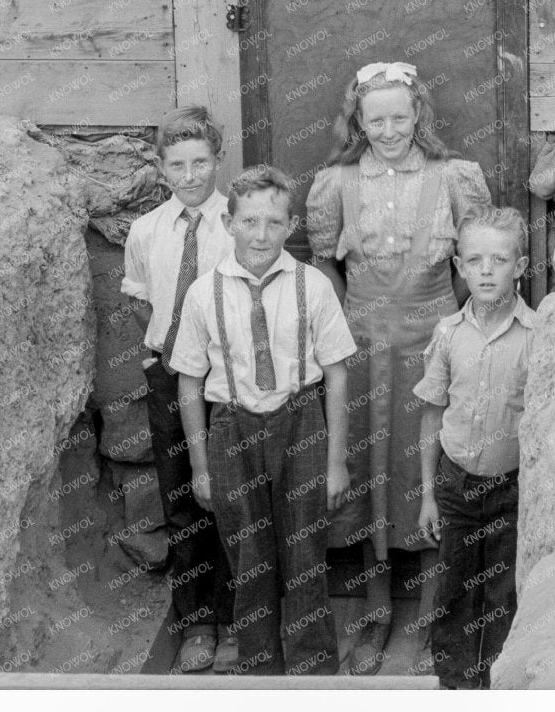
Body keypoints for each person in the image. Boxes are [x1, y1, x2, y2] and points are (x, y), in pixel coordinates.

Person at [306, 61, 493, 674]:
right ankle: (377, 609)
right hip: (362, 351)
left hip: (435, 341)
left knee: (433, 466)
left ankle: (437, 615)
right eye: (375, 118)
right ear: (357, 120)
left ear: (420, 117)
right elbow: (323, 262)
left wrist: (447, 321)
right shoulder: (336, 182)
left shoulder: (454, 177)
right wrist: (353, 315)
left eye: (400, 117)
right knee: (369, 469)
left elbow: (476, 259)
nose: (389, 129)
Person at [171, 165, 357, 677]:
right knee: (248, 560)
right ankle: (259, 672)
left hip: (299, 422)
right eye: (249, 221)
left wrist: (336, 462)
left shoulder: (313, 285)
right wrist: (201, 467)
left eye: (274, 222)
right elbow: (188, 383)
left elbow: (338, 374)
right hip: (230, 428)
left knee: (304, 555)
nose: (261, 234)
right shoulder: (202, 293)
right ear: (229, 223)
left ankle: (312, 670)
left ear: (291, 224)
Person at [120, 107, 235, 673]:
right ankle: (196, 623)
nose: (190, 175)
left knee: (237, 496)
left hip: (228, 377)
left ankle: (240, 616)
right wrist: (160, 347)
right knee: (184, 497)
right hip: (170, 373)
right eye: (178, 165)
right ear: (162, 169)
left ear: (217, 160)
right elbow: (144, 297)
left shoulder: (238, 222)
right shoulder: (146, 231)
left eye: (201, 162)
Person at [415, 206, 535, 690]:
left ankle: (496, 685)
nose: (487, 270)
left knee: (502, 593)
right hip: (456, 484)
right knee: (455, 591)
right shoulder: (448, 334)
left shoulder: (537, 335)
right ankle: (455, 684)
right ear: (460, 267)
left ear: (521, 268)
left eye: (500, 260)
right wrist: (427, 494)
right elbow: (431, 413)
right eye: (475, 260)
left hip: (512, 487)